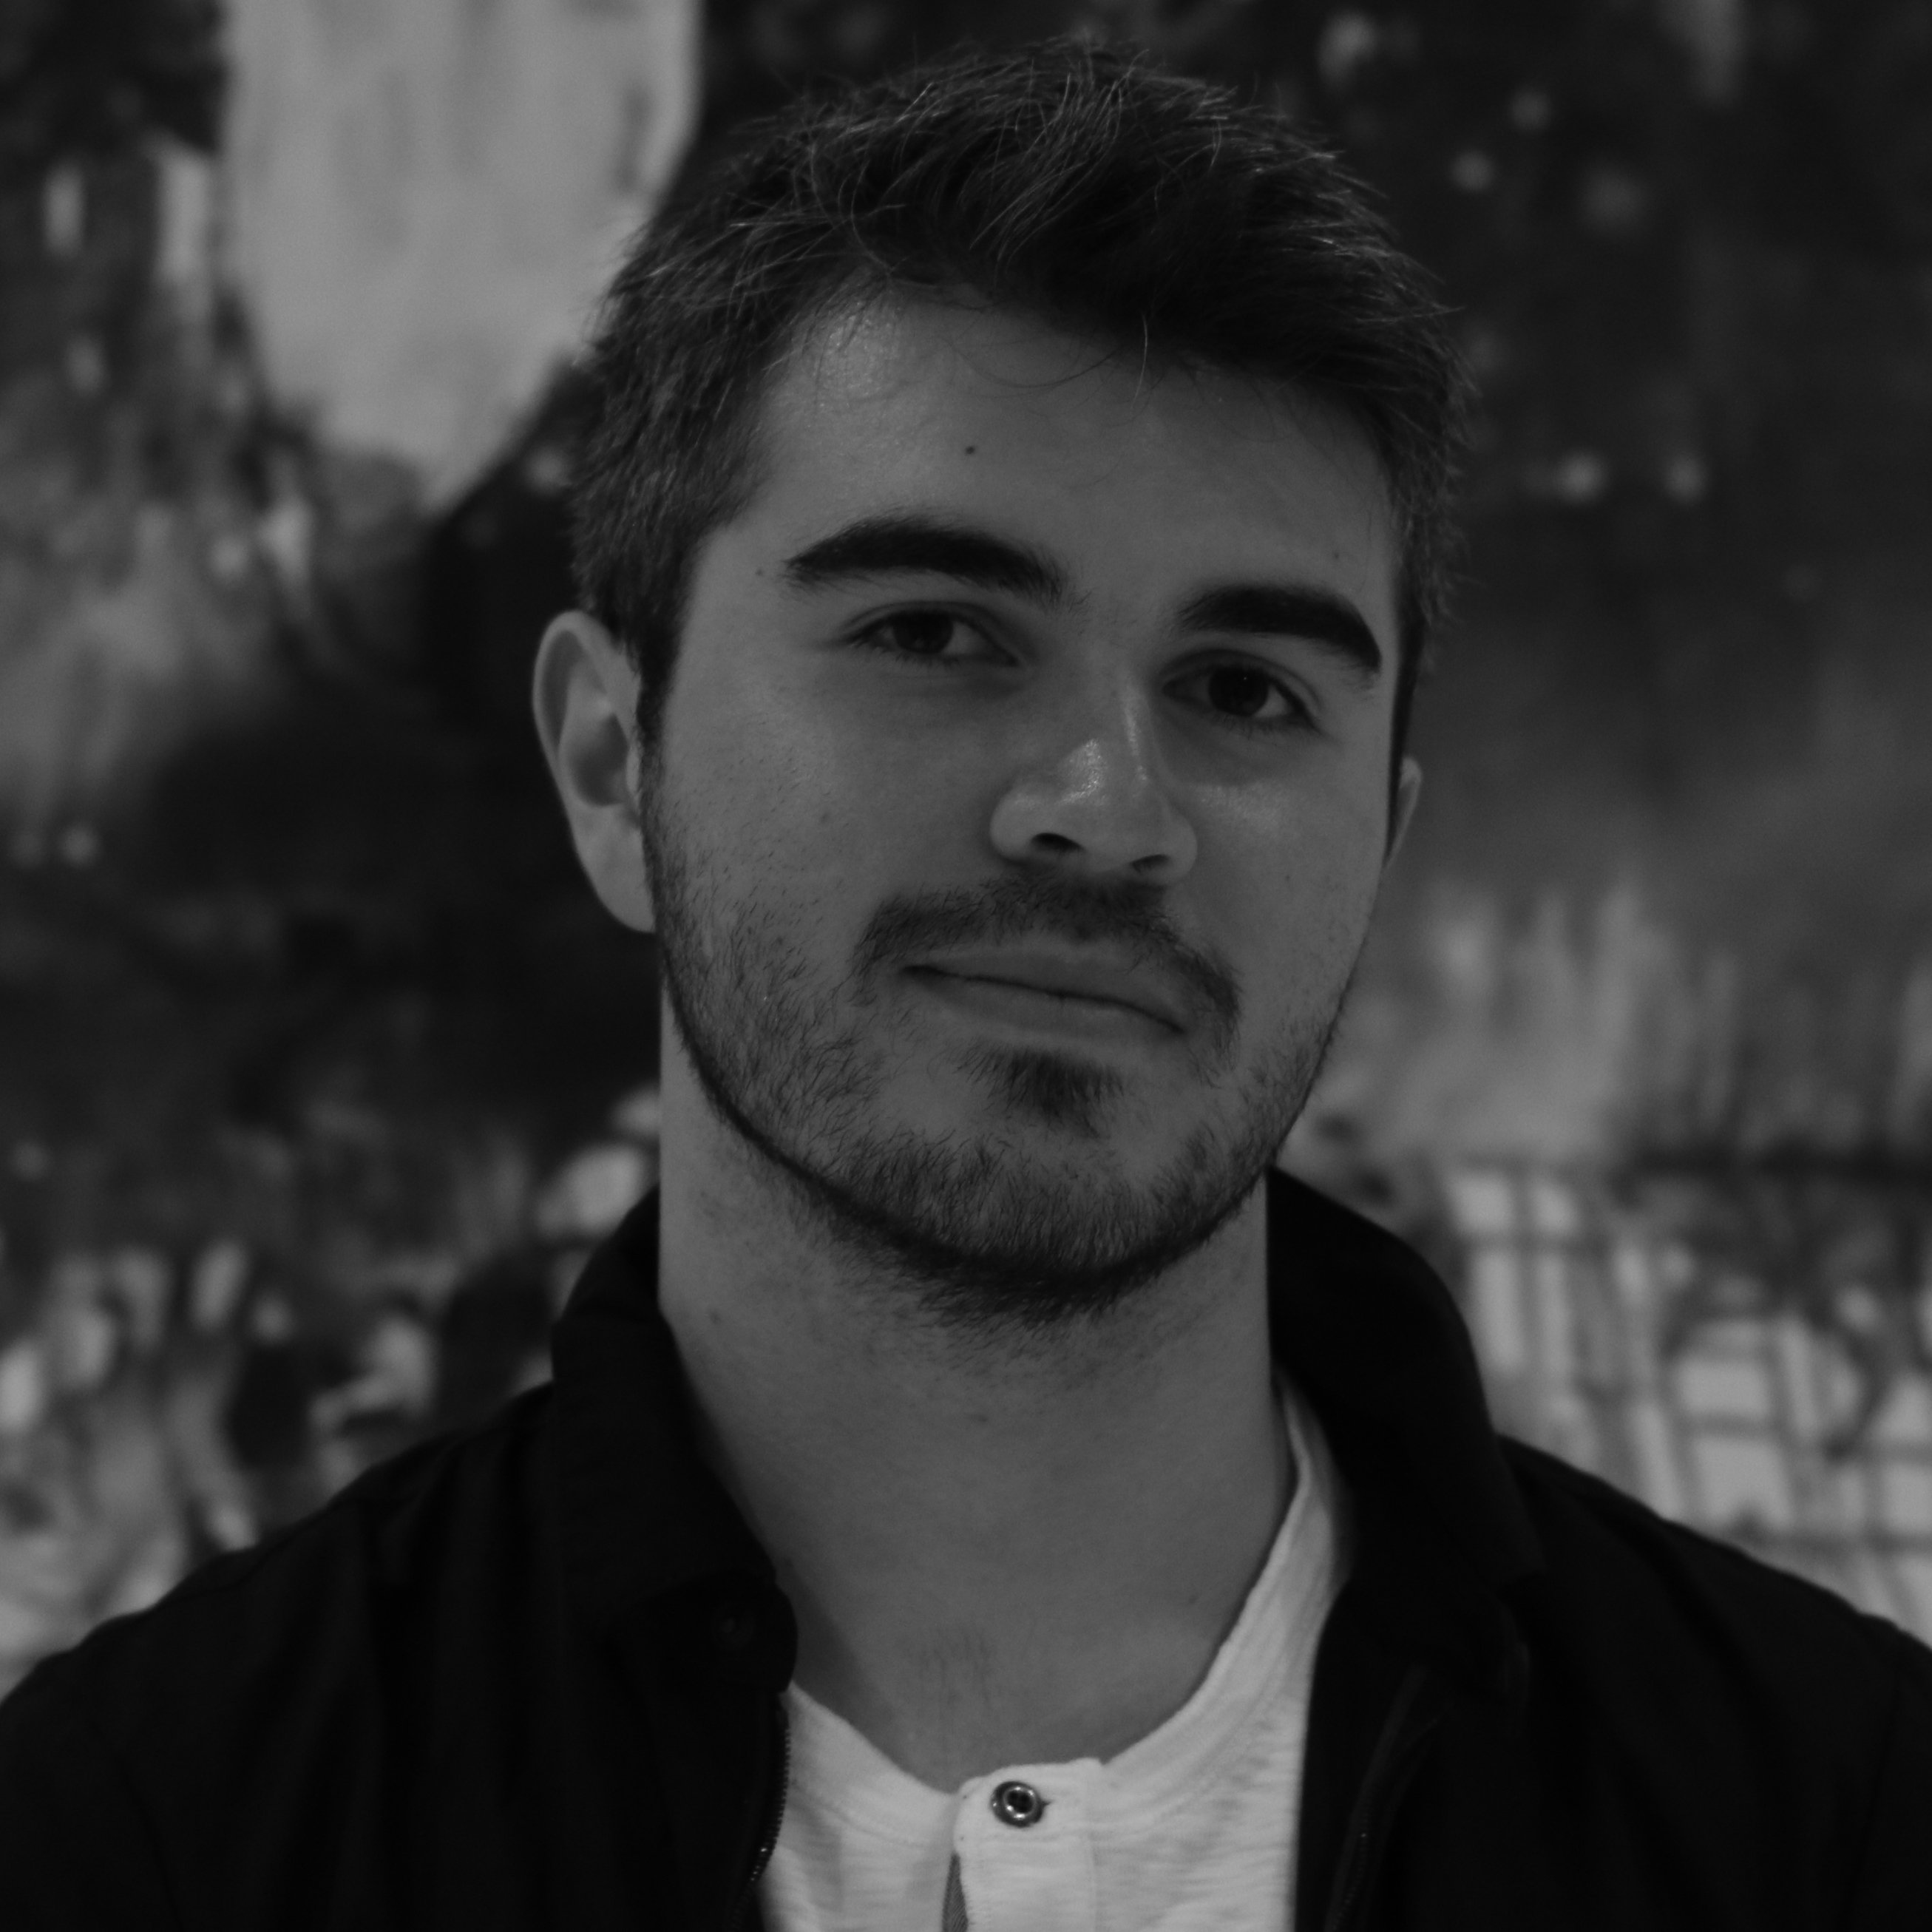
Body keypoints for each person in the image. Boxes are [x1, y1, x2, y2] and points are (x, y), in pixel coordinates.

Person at [1, 41, 1927, 1930]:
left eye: (1245, 689)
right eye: (934, 632)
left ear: (1383, 841)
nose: (1108, 808)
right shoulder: (146, 1843)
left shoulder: (1842, 1829)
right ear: (611, 761)